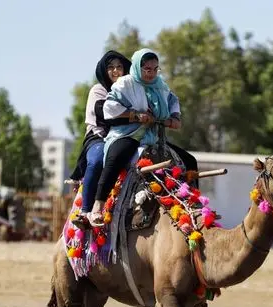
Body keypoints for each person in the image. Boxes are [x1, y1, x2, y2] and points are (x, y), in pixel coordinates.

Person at [87, 48, 199, 227]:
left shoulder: (160, 85)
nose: (151, 73)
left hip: (153, 136)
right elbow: (109, 107)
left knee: (189, 160)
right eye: (147, 69)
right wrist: (135, 116)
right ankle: (97, 205)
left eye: (155, 69)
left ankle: (194, 207)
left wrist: (174, 118)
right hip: (128, 133)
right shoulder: (126, 83)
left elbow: (173, 101)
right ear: (138, 67)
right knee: (117, 156)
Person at [69, 50, 132, 229]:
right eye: (110, 67)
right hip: (99, 138)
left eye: (119, 67)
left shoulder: (131, 92)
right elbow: (105, 114)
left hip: (124, 138)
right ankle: (85, 212)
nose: (115, 71)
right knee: (97, 160)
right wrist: (135, 116)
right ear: (104, 71)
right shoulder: (99, 90)